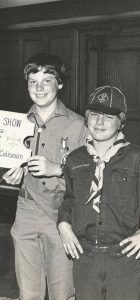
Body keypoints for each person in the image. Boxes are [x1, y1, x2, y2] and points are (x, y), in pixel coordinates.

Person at [3, 53, 88, 300]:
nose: (39, 88)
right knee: (28, 293)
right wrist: (10, 174)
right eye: (33, 81)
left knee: (63, 292)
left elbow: (92, 175)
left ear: (59, 83)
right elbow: (6, 165)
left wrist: (58, 169)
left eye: (47, 80)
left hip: (62, 213)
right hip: (26, 208)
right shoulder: (16, 124)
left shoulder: (78, 125)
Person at [57, 86, 140, 300]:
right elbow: (69, 199)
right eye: (94, 115)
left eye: (108, 116)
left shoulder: (135, 158)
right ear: (86, 119)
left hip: (125, 257)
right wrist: (63, 225)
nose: (99, 122)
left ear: (121, 121)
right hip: (86, 257)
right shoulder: (75, 160)